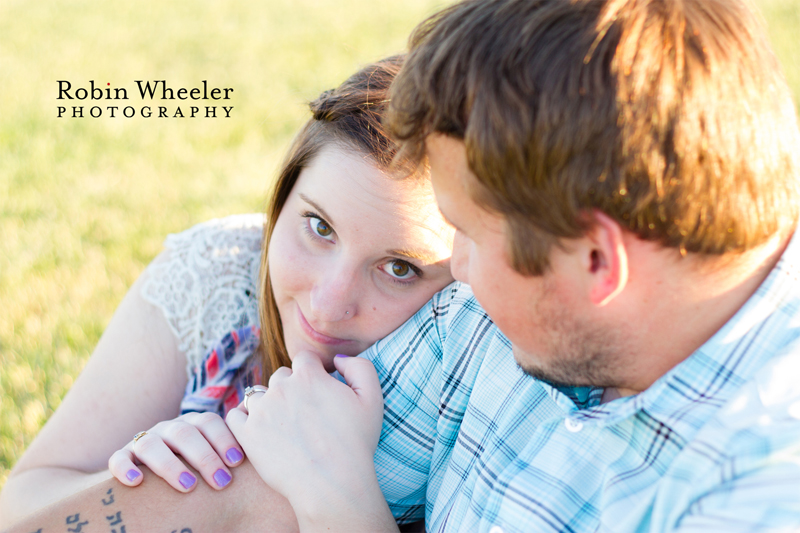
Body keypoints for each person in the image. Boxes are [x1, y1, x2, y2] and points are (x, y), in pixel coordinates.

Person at [6, 0, 800, 531]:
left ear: (597, 261)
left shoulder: (760, 489)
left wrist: (344, 505)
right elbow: (242, 498)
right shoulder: (486, 329)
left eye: (465, 235)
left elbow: (314, 485)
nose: (451, 270)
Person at [0, 56, 454, 527]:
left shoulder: (472, 382)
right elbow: (26, 497)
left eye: (399, 268)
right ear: (283, 201)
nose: (326, 304)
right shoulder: (217, 274)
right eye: (319, 227)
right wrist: (134, 477)